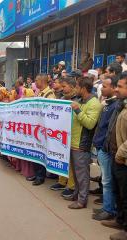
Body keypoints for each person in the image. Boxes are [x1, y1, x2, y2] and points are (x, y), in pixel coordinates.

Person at [66, 77, 102, 209]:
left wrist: (78, 110)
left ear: (83, 88)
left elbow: (90, 124)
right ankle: (76, 194)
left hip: (82, 144)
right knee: (76, 173)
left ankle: (82, 200)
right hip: (73, 142)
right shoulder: (79, 100)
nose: (75, 89)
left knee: (82, 174)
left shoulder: (94, 103)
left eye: (77, 86)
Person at [102, 75, 127, 240]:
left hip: (123, 159)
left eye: (120, 86)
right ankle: (120, 220)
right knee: (120, 194)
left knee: (126, 197)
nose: (116, 89)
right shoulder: (121, 106)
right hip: (116, 158)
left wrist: (120, 154)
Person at [91, 75, 119, 220]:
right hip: (101, 147)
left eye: (106, 86)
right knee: (106, 181)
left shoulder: (115, 106)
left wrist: (102, 146)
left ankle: (109, 210)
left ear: (114, 88)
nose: (102, 88)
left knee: (107, 182)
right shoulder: (108, 104)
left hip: (106, 149)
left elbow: (110, 130)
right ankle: (106, 207)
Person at [50, 77, 78, 197]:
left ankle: (71, 186)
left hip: (73, 133)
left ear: (72, 86)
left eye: (64, 86)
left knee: (71, 162)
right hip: (61, 133)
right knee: (62, 157)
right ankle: (61, 181)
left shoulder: (77, 100)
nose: (62, 88)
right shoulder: (61, 99)